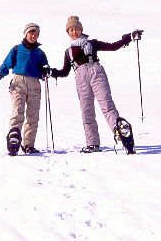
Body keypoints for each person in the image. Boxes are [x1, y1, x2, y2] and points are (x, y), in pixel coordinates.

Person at [50, 16, 143, 154]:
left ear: (81, 29)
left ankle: (119, 130)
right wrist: (51, 72)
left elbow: (113, 46)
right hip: (80, 76)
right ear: (68, 32)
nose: (74, 31)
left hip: (96, 72)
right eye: (71, 30)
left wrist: (129, 37)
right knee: (86, 110)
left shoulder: (92, 43)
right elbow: (64, 71)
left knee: (106, 104)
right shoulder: (68, 52)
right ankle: (92, 143)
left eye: (76, 29)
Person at [0, 23, 51, 156]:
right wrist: (0, 73)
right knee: (18, 110)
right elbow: (7, 63)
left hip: (34, 84)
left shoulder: (40, 53)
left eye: (36, 33)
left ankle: (28, 145)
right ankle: (14, 138)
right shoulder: (17, 49)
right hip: (18, 81)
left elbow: (45, 68)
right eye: (31, 32)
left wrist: (45, 72)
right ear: (25, 34)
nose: (34, 35)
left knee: (33, 115)